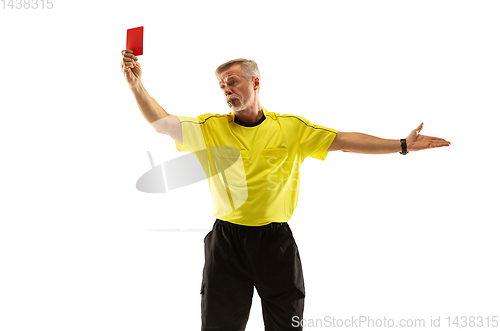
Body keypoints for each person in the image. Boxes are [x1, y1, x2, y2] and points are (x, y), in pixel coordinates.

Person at [120, 50, 451, 331]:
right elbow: (161, 123)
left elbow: (346, 141)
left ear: (255, 83)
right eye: (222, 86)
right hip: (226, 243)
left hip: (275, 243)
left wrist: (403, 145)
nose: (226, 90)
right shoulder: (210, 128)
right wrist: (136, 85)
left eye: (232, 82)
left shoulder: (291, 128)